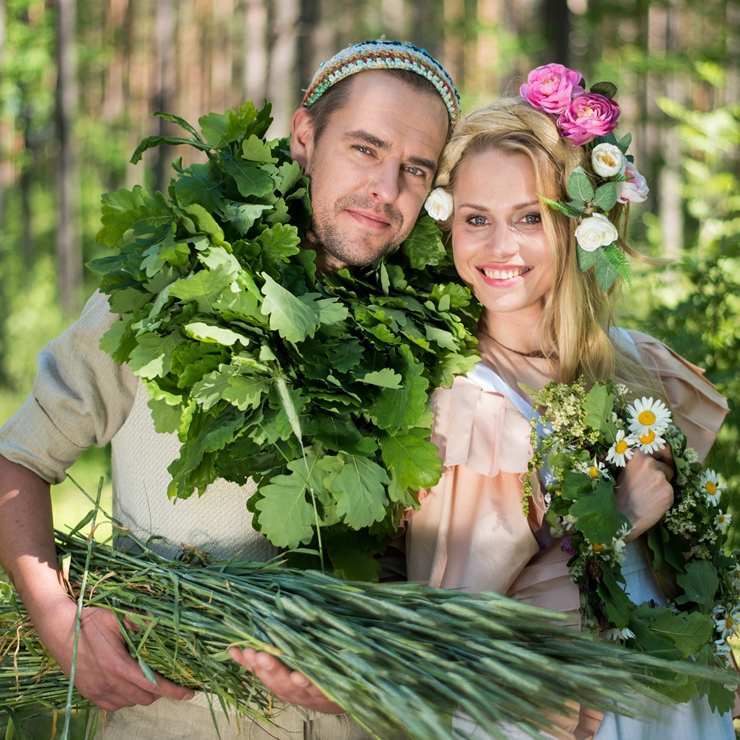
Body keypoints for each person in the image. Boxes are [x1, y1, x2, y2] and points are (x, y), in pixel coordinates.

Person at [0, 40, 456, 740]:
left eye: (414, 169)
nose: (386, 191)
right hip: (169, 717)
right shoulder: (164, 290)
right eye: (365, 149)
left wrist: (370, 667)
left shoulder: (435, 346)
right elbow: (17, 461)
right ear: (306, 137)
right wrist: (59, 621)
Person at [406, 77, 733, 739]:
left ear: (582, 226)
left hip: (669, 685)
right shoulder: (470, 400)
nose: (500, 247)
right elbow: (453, 612)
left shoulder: (633, 360)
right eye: (477, 219)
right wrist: (611, 522)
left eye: (530, 217)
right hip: (555, 698)